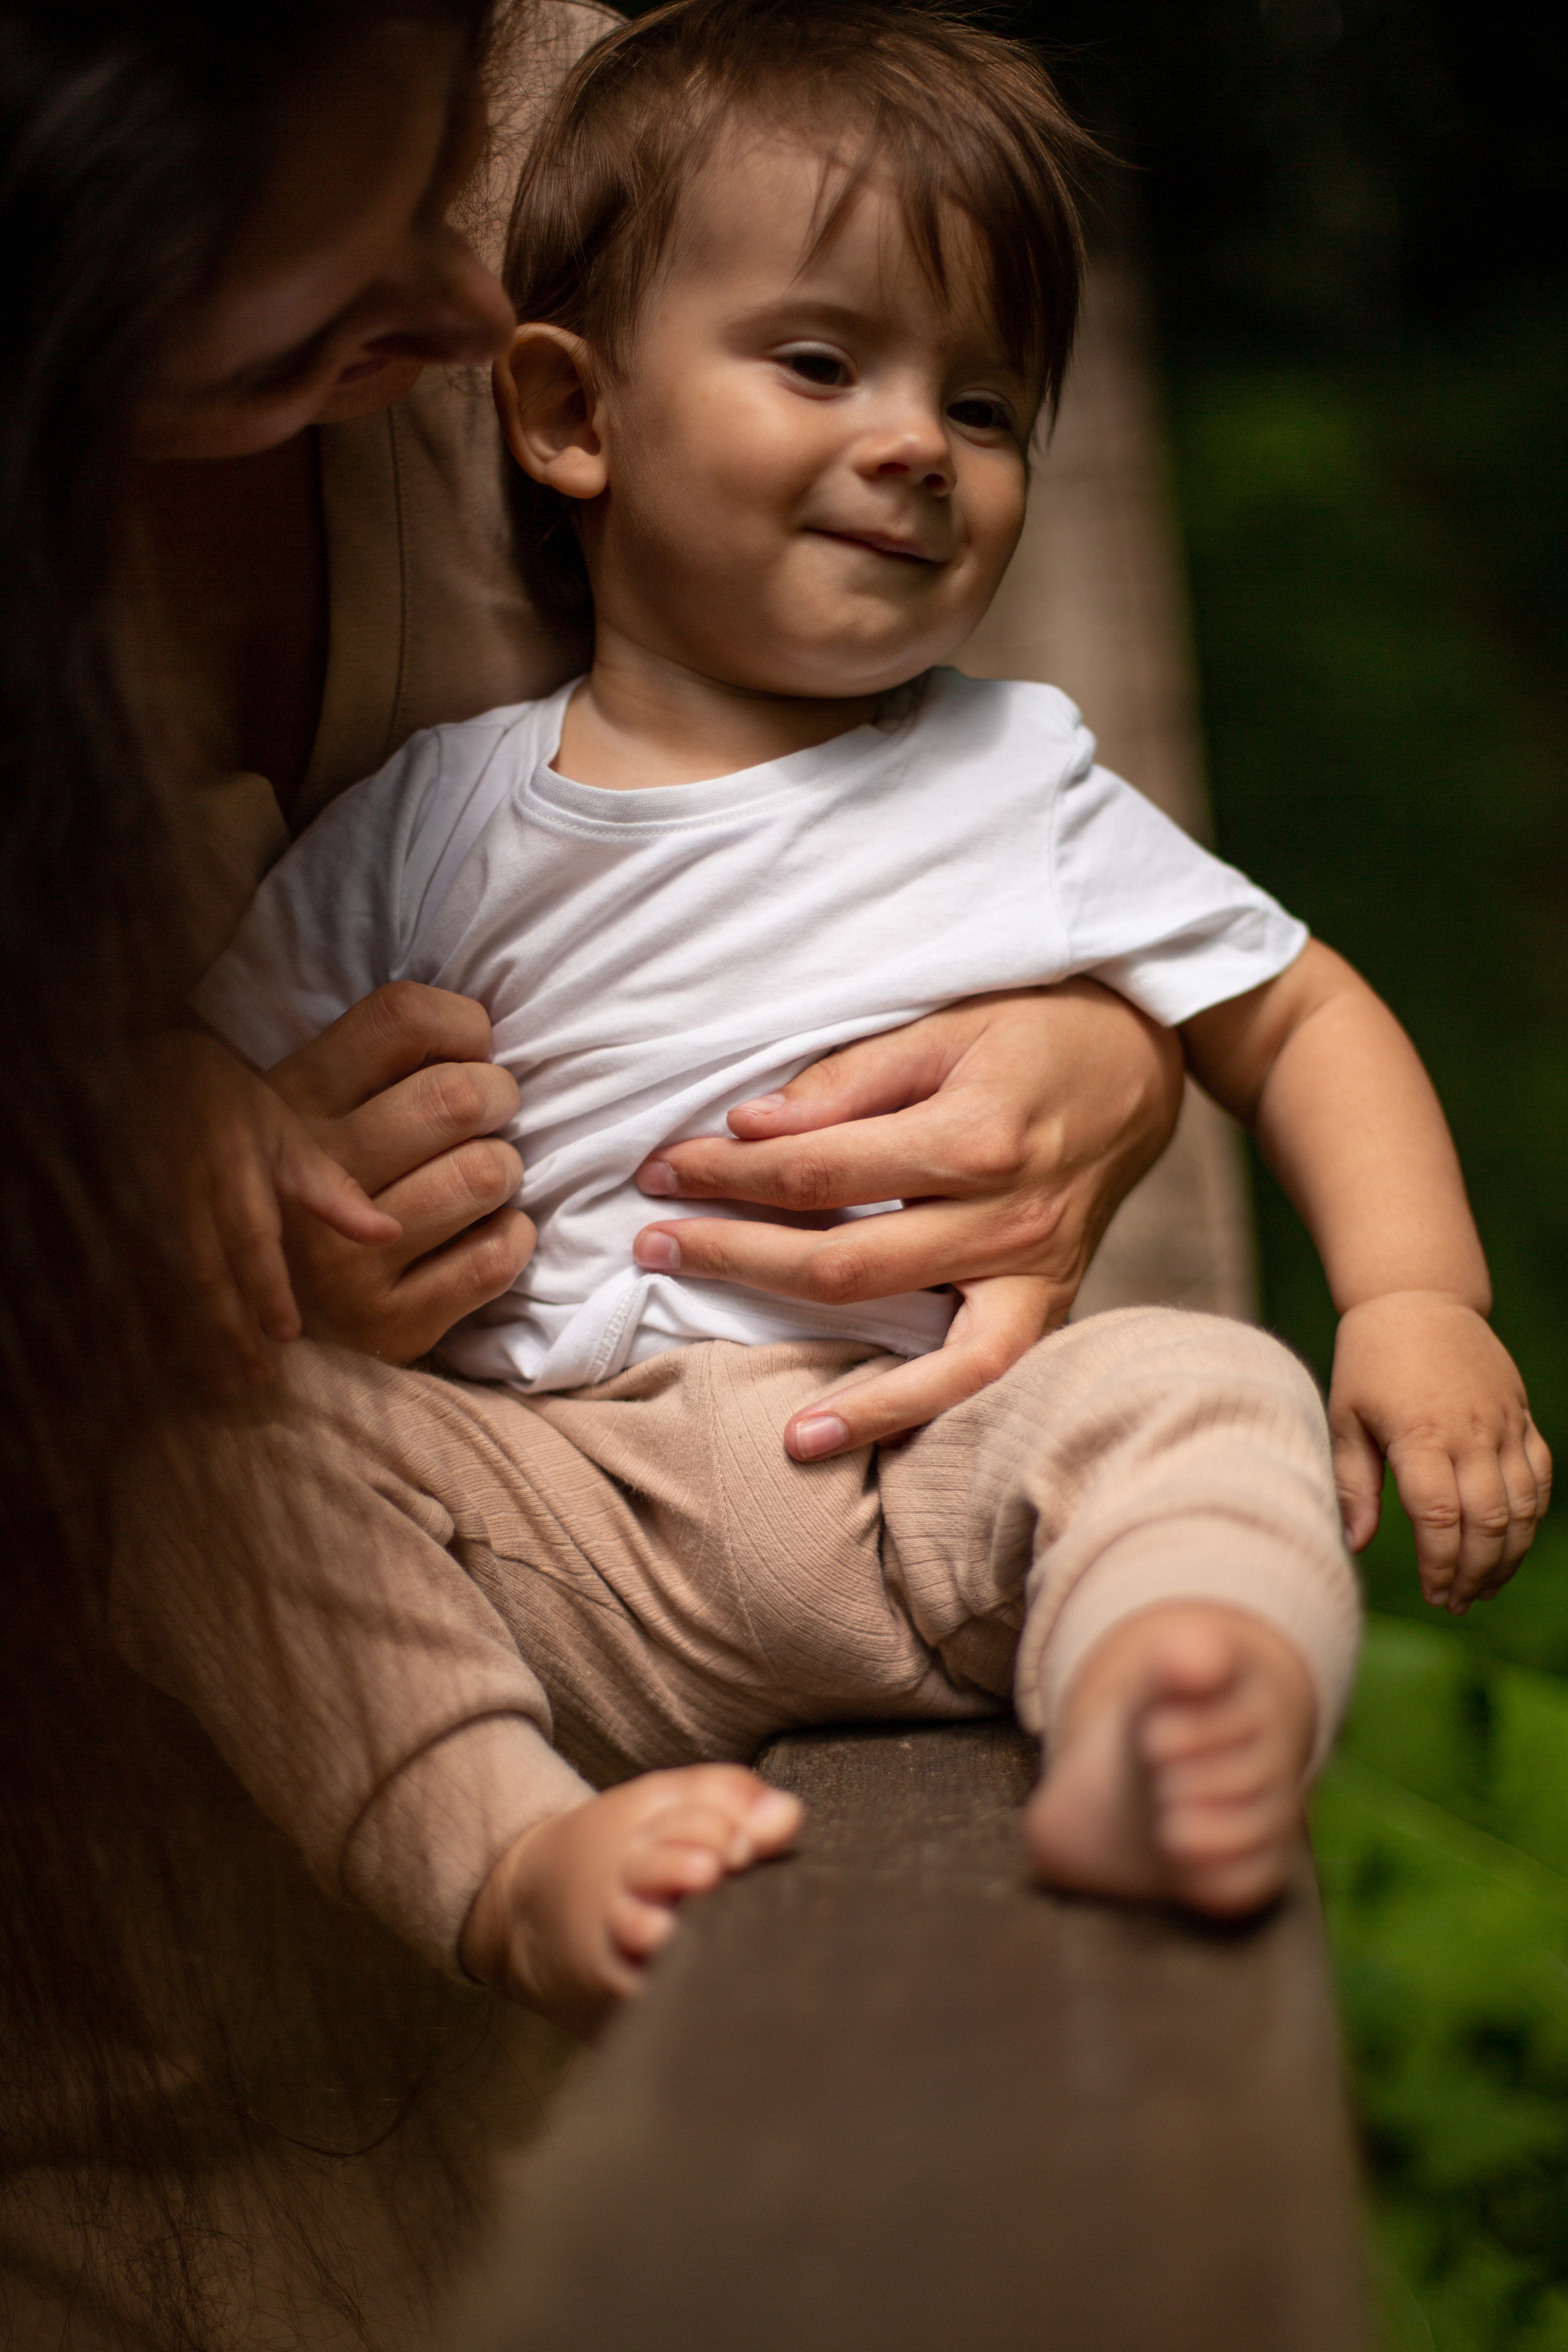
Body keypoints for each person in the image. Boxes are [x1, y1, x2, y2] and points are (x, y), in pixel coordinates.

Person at [157, 0, 1549, 2041]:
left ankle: (1183, 1705)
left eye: (985, 409)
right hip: (556, 1515)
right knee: (227, 1467)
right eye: (823, 363)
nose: (918, 441)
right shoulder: (437, 814)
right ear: (571, 415)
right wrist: (221, 1137)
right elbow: (210, 1080)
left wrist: (1419, 1297)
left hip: (932, 1468)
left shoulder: (1017, 774)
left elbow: (1300, 1007)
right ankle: (501, 1850)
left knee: (1194, 1391)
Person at [0, 0, 1192, 2340]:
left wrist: (1094, 1046)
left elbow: (933, 787)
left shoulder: (591, 119)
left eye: (446, 171)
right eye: (310, 308)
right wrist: (93, 1245)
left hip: (657, 1880)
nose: (460, 316)